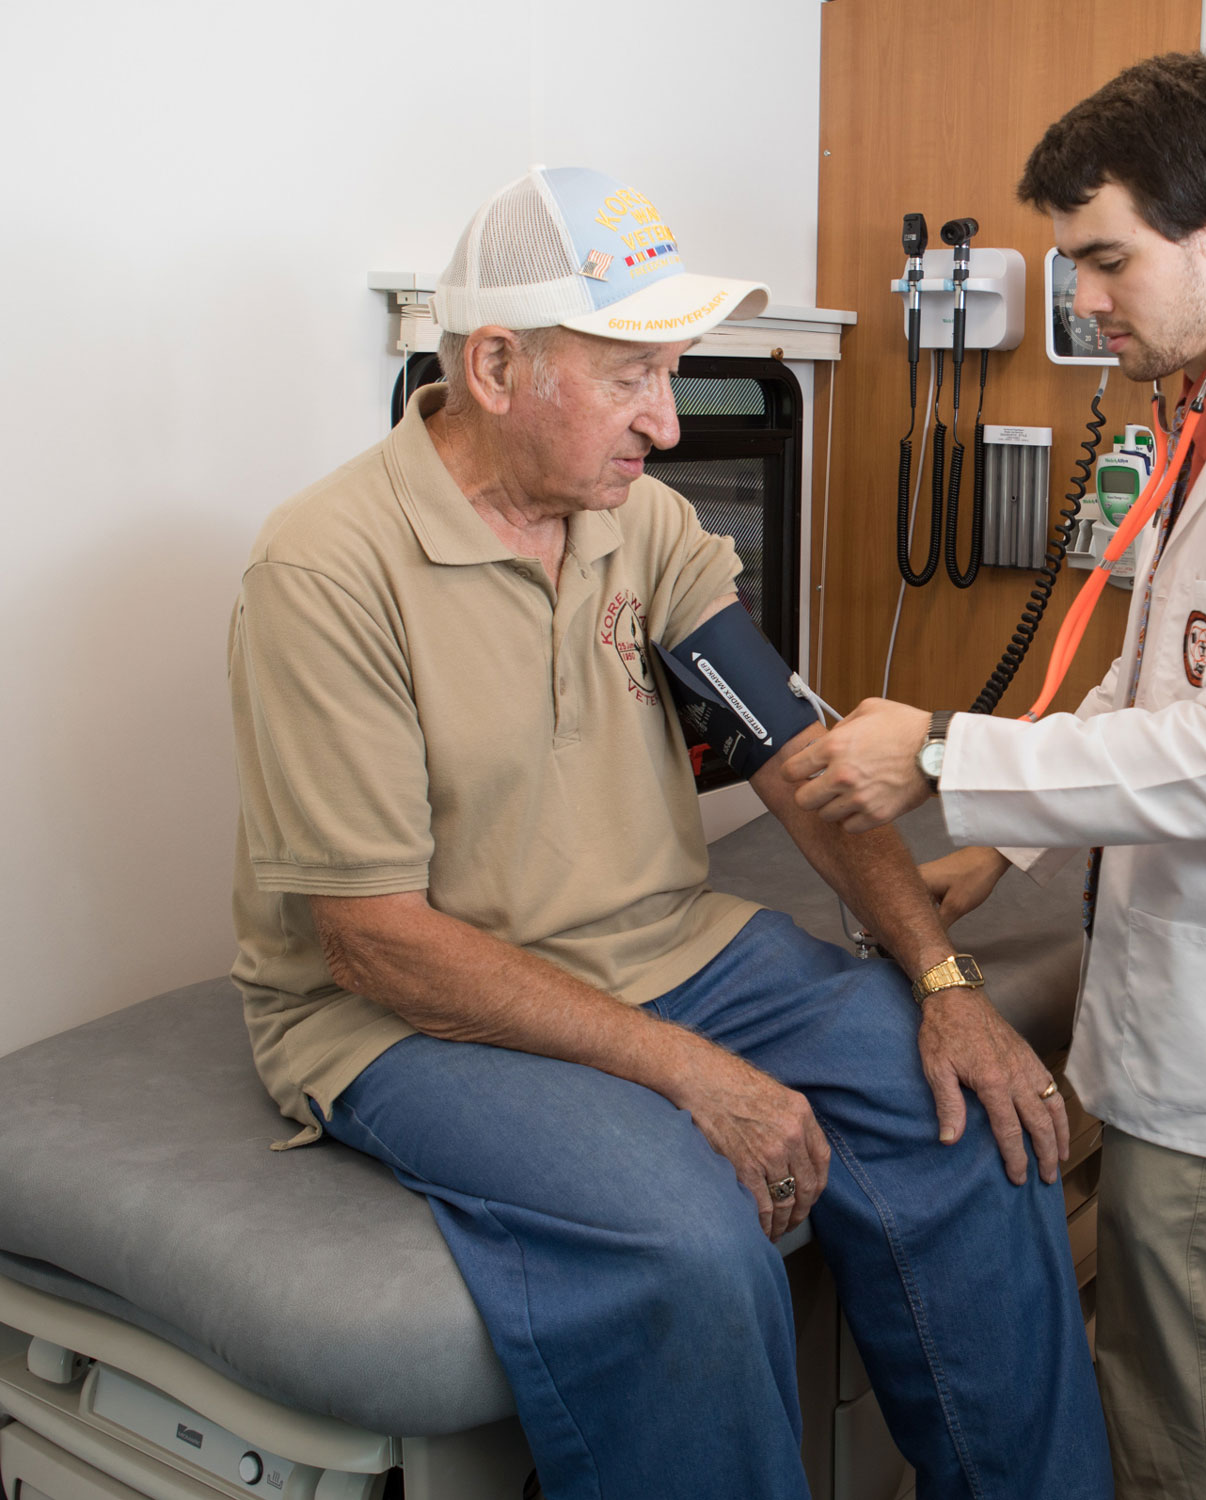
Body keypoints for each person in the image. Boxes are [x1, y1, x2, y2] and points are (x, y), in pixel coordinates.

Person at [226, 166, 1110, 1500]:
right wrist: (688, 1073)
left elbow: (801, 767)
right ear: (499, 363)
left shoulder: (642, 525)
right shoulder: (326, 570)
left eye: (678, 375)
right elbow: (375, 945)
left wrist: (940, 978)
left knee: (965, 1117)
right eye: (635, 376)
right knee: (693, 1244)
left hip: (668, 947)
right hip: (410, 1016)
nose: (668, 422)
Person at [785, 55, 1206, 1500]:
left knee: (1195, 1405)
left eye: (1105, 260)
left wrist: (949, 755)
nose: (1081, 301)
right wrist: (1000, 853)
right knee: (1154, 1357)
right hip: (1182, 984)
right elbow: (1148, 686)